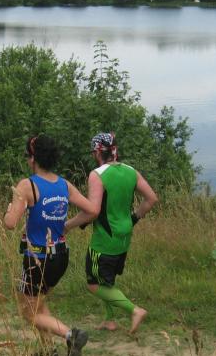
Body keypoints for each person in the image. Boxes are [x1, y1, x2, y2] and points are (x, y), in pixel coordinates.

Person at [3, 135, 99, 356]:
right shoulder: (64, 185)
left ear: (33, 158)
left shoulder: (27, 185)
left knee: (29, 312)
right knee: (38, 304)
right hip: (60, 257)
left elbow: (10, 223)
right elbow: (92, 210)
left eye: (28, 156)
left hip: (37, 259)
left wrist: (8, 209)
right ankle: (48, 352)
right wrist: (67, 225)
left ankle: (71, 335)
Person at [65, 132, 158, 334]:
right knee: (107, 280)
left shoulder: (97, 175)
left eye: (93, 152)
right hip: (124, 236)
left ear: (98, 152)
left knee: (93, 284)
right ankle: (110, 320)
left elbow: (93, 211)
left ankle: (134, 310)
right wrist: (134, 218)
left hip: (104, 239)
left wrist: (68, 225)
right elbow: (151, 198)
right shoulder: (131, 171)